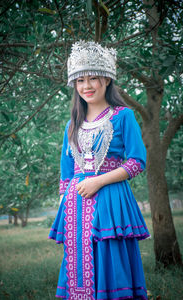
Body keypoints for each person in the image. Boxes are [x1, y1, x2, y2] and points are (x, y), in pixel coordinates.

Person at [49, 40, 150, 300]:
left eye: (93, 78)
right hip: (76, 206)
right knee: (77, 269)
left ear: (107, 80)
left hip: (111, 201)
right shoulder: (72, 125)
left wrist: (98, 181)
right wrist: (66, 209)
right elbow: (66, 173)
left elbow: (137, 161)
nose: (87, 86)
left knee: (110, 261)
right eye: (80, 81)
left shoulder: (123, 116)